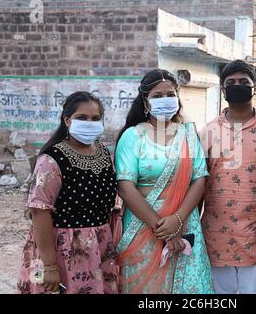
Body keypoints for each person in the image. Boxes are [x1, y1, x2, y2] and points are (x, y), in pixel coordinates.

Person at [114, 69, 214, 294]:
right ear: (145, 102)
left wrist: (177, 220)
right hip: (144, 225)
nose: (165, 100)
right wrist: (164, 229)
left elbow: (199, 178)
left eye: (170, 94)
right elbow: (126, 187)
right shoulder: (133, 135)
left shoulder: (188, 134)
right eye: (157, 96)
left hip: (184, 221)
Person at [17, 92, 119, 294]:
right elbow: (39, 211)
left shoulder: (104, 153)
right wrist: (49, 266)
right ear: (67, 120)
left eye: (95, 118)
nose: (89, 123)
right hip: (60, 251)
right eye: (82, 118)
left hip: (98, 248)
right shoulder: (52, 159)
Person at [200, 60, 256, 294]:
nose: (237, 86)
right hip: (216, 235)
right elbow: (198, 183)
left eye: (244, 82)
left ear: (255, 88)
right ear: (222, 90)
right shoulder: (208, 131)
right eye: (230, 83)